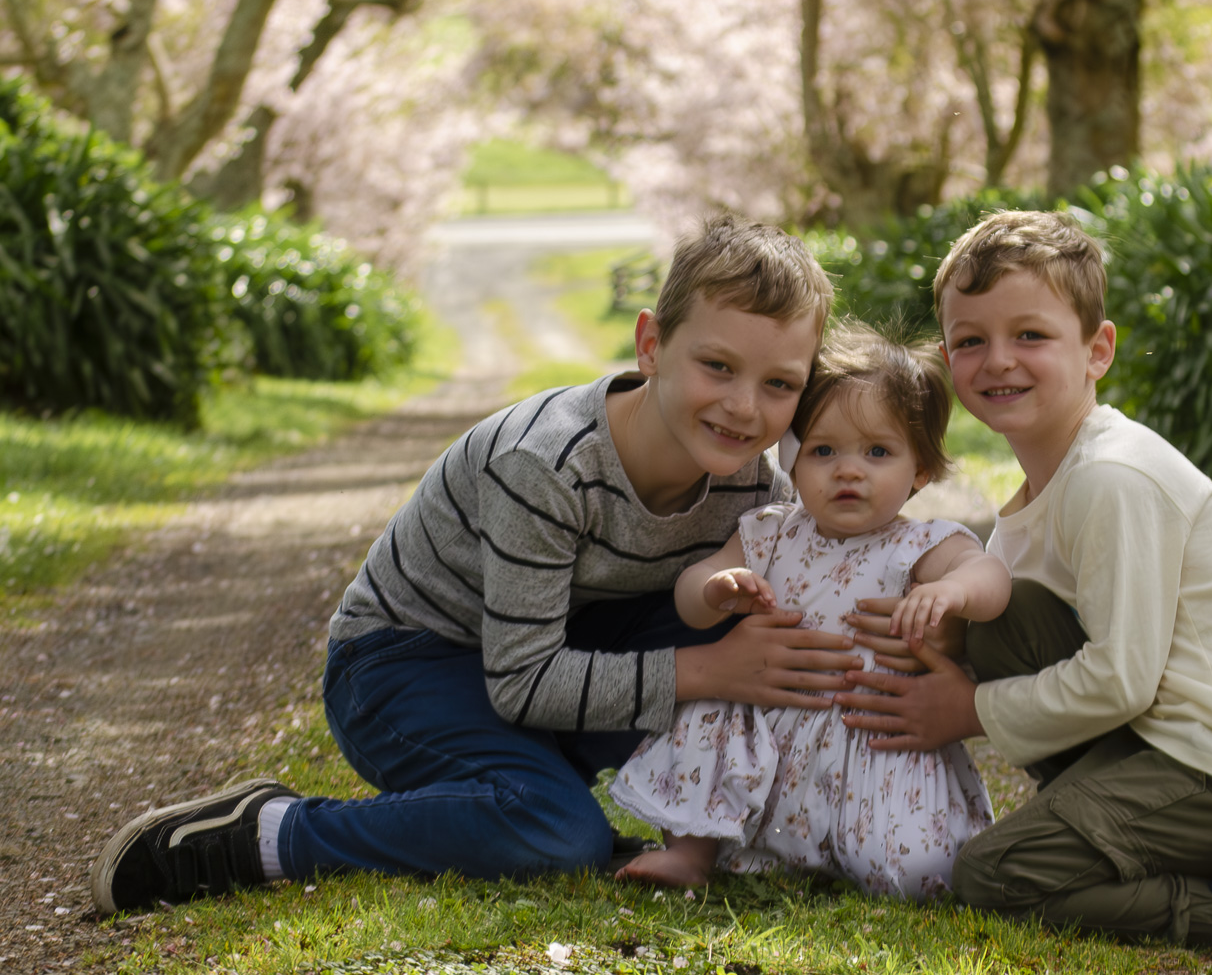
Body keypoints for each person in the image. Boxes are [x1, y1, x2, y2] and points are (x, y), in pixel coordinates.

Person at [89, 214, 870, 915]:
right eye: (718, 367)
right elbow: (523, 679)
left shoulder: (752, 485)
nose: (743, 407)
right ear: (651, 345)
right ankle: (266, 835)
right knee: (557, 835)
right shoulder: (548, 463)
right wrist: (710, 672)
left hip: (554, 649)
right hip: (403, 664)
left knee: (757, 606)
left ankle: (594, 806)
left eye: (779, 386)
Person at [833, 210, 1212, 954]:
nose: (998, 360)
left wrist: (967, 709)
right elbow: (1032, 631)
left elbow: (1122, 680)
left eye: (1030, 335)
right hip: (1163, 744)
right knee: (997, 610)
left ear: (1098, 350)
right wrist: (933, 634)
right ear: (947, 358)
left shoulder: (1112, 479)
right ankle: (1106, 819)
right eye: (971, 341)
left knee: (993, 875)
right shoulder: (1046, 488)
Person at [609, 322, 1009, 897]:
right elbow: (690, 595)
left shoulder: (920, 544)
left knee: (918, 872)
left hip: (872, 736)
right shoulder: (771, 534)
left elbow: (991, 575)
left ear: (919, 470)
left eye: (878, 451)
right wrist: (716, 587)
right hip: (771, 731)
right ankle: (692, 854)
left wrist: (953, 593)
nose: (849, 469)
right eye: (824, 450)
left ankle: (859, 854)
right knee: (709, 709)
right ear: (792, 465)